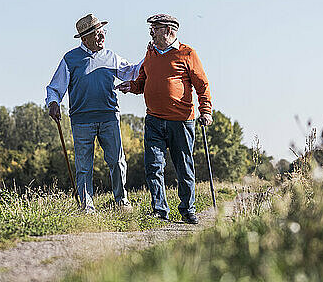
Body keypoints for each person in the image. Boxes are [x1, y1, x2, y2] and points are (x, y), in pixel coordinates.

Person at [117, 14, 213, 224]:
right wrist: (131, 86)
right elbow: (143, 81)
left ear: (169, 31)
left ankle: (188, 209)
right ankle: (160, 210)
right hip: (153, 120)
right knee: (153, 166)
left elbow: (202, 85)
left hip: (181, 121)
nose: (151, 32)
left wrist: (206, 111)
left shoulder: (187, 53)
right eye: (151, 28)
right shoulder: (150, 53)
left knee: (183, 167)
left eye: (155, 28)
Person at [46, 13, 141, 213]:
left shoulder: (111, 56)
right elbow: (55, 87)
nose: (102, 37)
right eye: (97, 34)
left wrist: (149, 57)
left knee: (117, 160)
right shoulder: (70, 59)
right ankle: (86, 205)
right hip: (81, 120)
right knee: (83, 166)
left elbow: (132, 72)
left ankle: (121, 201)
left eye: (103, 32)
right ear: (85, 39)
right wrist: (53, 102)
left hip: (109, 117)